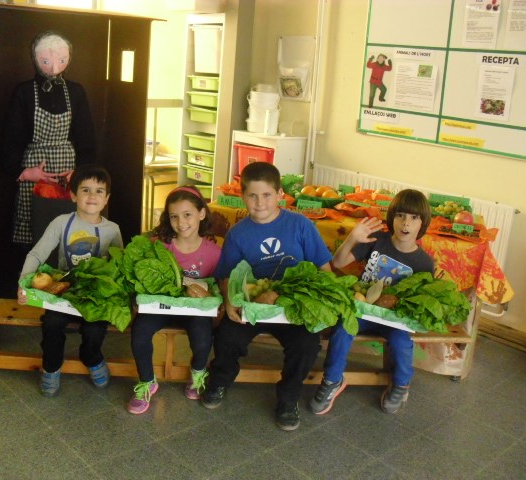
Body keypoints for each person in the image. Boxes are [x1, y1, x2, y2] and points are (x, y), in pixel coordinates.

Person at [201, 162, 333, 431]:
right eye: (252, 195)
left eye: (266, 195)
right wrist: (229, 302)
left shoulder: (300, 225)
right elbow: (226, 276)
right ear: (243, 196)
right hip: (253, 304)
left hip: (293, 305)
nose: (260, 203)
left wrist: (320, 301)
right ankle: (219, 382)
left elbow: (324, 269)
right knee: (227, 336)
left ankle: (288, 398)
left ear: (280, 194)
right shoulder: (238, 233)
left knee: (306, 345)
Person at [310, 189, 434, 415]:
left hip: (393, 318)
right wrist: (352, 238)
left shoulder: (424, 263)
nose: (406, 223)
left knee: (402, 342)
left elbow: (419, 301)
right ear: (392, 218)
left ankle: (401, 385)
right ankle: (332, 380)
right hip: (362, 311)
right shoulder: (378, 240)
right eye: (400, 215)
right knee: (342, 330)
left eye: (414, 217)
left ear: (422, 223)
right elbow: (338, 263)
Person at [17, 164, 123, 396]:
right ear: (73, 195)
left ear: (106, 199)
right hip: (63, 291)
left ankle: (92, 358)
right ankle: (51, 367)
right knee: (52, 324)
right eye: (85, 190)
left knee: (95, 330)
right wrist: (23, 284)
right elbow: (37, 254)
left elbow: (119, 267)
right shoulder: (61, 223)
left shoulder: (113, 230)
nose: (92, 196)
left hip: (95, 295)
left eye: (99, 191)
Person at [127, 186, 221, 414]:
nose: (181, 222)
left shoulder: (214, 252)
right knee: (139, 332)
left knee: (202, 338)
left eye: (187, 214)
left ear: (201, 213)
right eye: (174, 217)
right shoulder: (158, 244)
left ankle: (197, 373)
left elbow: (218, 286)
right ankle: (147, 381)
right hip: (161, 306)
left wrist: (209, 297)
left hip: (194, 311)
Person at [3, 31, 96, 257]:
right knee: (34, 222)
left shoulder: (76, 91)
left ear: (69, 59)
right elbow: (11, 136)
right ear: (35, 60)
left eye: (61, 60)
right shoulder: (24, 91)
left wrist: (80, 173)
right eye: (46, 61)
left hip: (68, 169)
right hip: (35, 168)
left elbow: (86, 135)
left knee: (69, 227)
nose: (54, 68)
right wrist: (24, 172)